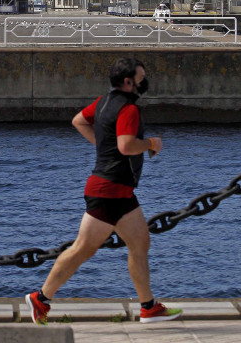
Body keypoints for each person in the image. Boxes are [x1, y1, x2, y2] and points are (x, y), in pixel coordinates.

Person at [25, 57, 182, 325]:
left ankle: (148, 308)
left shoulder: (102, 102)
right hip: (108, 190)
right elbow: (125, 146)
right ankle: (40, 298)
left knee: (140, 243)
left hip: (120, 192)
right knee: (83, 249)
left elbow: (78, 121)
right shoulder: (129, 109)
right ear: (128, 82)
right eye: (142, 78)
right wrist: (151, 144)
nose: (145, 83)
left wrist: (102, 144)